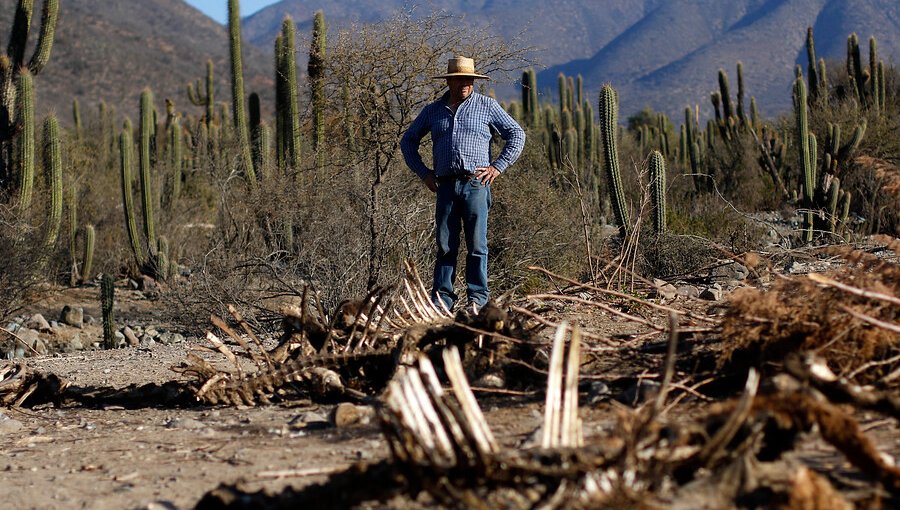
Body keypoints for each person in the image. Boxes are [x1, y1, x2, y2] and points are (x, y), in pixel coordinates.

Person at [401, 56, 525, 312]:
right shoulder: (432, 111)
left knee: (477, 245)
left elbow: (516, 133)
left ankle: (477, 299)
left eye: (470, 79)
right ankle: (442, 300)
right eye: (460, 79)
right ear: (449, 81)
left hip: (475, 184)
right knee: (446, 245)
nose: (466, 84)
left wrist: (497, 167)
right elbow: (408, 141)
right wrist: (423, 173)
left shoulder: (487, 106)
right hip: (445, 185)